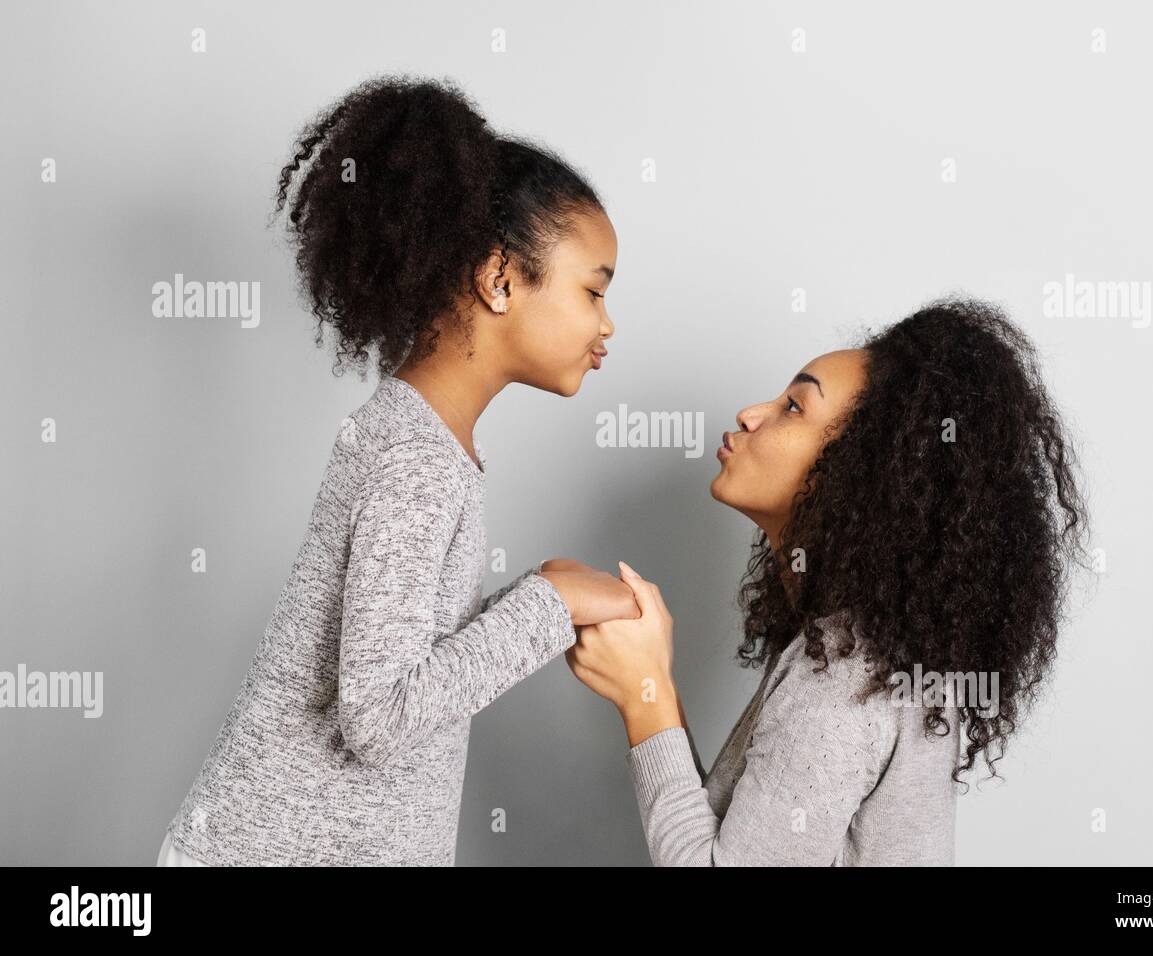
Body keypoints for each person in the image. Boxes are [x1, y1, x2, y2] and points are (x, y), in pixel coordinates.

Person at [157, 74, 632, 866]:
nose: (607, 324)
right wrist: (549, 606)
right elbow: (377, 716)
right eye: (593, 291)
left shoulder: (425, 441)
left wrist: (528, 597)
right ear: (500, 278)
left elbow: (407, 654)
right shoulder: (416, 459)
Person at [567, 297, 1090, 865]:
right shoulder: (863, 651)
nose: (749, 413)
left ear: (864, 473)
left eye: (794, 407)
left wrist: (645, 695)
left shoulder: (842, 678)